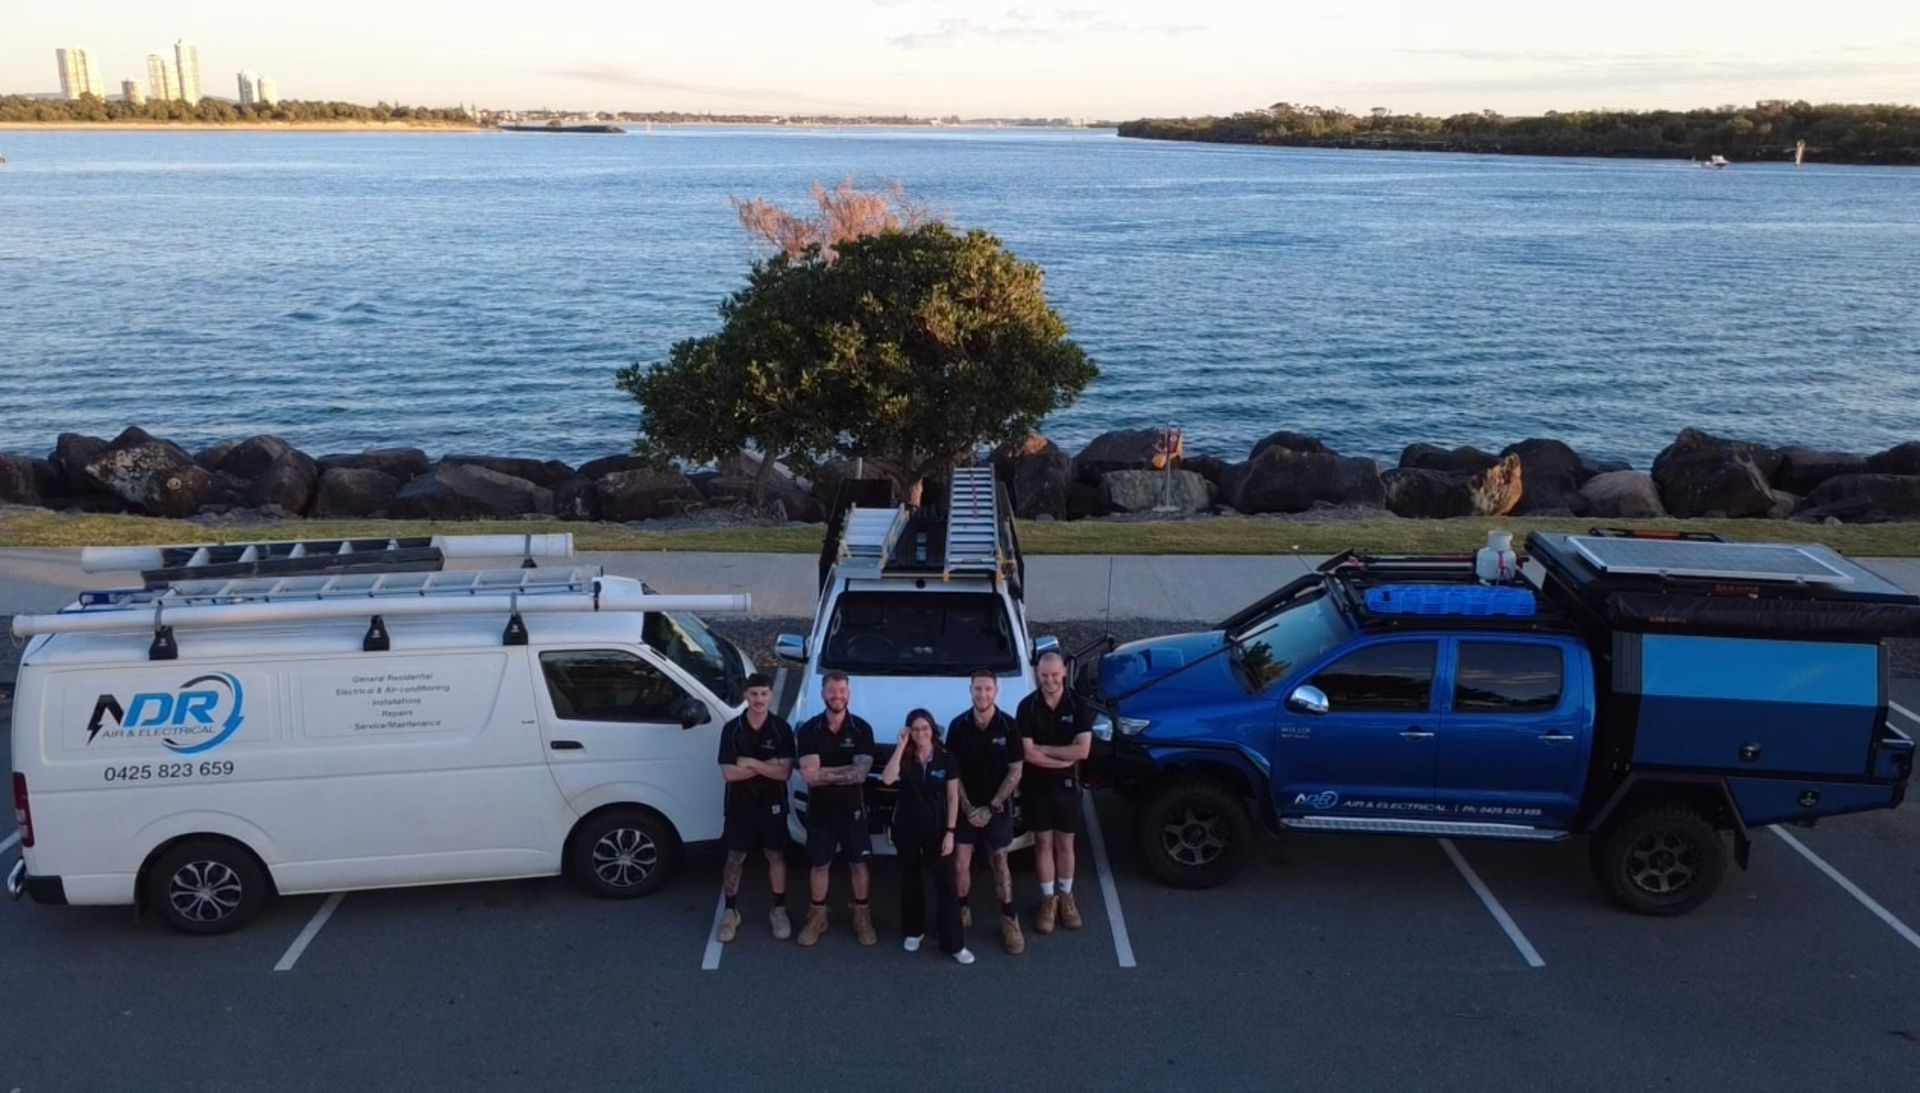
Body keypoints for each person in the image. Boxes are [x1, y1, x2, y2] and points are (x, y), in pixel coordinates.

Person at [881, 708, 972, 965]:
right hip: (907, 829)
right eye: (916, 729)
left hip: (937, 829)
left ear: (932, 730)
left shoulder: (946, 758)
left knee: (945, 884)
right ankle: (913, 931)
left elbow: (953, 797)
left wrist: (950, 833)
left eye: (925, 729)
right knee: (911, 880)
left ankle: (953, 943)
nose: (921, 733)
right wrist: (900, 747)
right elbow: (888, 779)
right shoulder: (905, 757)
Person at [795, 670, 878, 947]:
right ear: (822, 693)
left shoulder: (862, 729)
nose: (837, 696)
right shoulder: (809, 730)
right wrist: (845, 770)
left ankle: (861, 916)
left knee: (858, 863)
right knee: (820, 864)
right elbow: (808, 776)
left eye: (842, 691)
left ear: (849, 694)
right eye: (832, 691)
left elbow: (861, 774)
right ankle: (818, 916)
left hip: (853, 808)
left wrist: (824, 773)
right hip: (820, 809)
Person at [946, 668, 1025, 955]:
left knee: (1000, 864)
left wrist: (991, 808)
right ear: (970, 691)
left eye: (987, 689)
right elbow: (952, 773)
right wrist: (967, 808)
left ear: (996, 691)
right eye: (977, 689)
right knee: (960, 863)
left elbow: (1015, 772)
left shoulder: (1009, 726)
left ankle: (1009, 918)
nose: (982, 694)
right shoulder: (958, 726)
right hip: (966, 808)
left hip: (997, 808)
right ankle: (962, 910)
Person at [714, 673, 796, 943]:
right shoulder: (732, 729)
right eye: (753, 694)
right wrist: (767, 765)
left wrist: (749, 762)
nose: (759, 699)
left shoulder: (781, 729)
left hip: (772, 804)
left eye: (763, 694)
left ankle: (779, 910)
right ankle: (730, 912)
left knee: (775, 855)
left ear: (771, 695)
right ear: (745, 696)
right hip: (740, 804)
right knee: (735, 858)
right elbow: (729, 774)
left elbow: (784, 773)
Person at [1017, 649, 1093, 935]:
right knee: (1043, 844)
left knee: (1066, 844)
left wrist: (1044, 749)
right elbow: (1027, 754)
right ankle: (1048, 899)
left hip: (1067, 786)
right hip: (1036, 786)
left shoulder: (1077, 705)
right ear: (1038, 673)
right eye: (1044, 675)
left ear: (1064, 673)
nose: (1049, 680)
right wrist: (1063, 758)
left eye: (1054, 675)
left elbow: (1083, 750)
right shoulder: (1027, 706)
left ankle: (1067, 896)